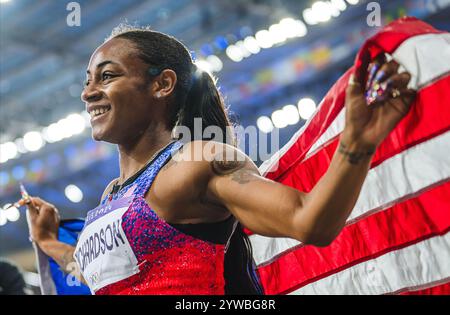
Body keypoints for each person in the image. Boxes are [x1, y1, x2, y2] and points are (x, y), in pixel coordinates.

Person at [26, 24, 415, 295]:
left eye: (107, 76)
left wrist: (357, 143)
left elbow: (308, 220)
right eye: (88, 81)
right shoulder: (111, 197)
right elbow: (95, 273)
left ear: (162, 84)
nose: (88, 93)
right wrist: (47, 243)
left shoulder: (197, 162)